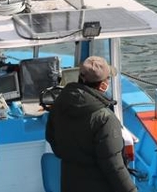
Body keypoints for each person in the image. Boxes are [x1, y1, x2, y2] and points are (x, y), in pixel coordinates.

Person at [45, 56, 136, 192]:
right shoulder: (105, 119)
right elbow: (114, 166)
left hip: (69, 182)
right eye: (108, 79)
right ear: (103, 85)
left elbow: (51, 138)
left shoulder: (59, 103)